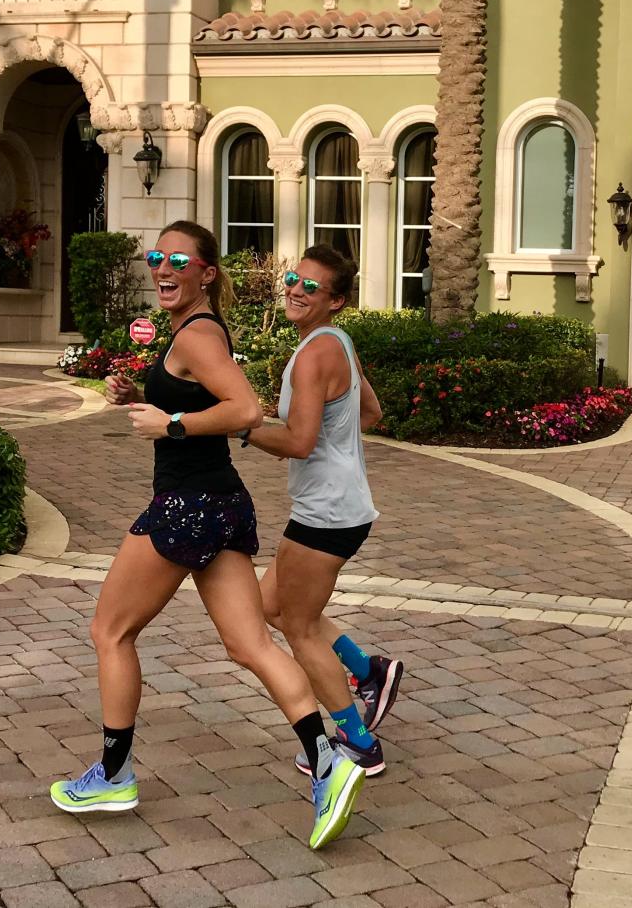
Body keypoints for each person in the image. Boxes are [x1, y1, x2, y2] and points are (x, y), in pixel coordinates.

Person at [50, 222, 365, 850]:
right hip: (220, 504)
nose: (162, 268)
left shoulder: (196, 334)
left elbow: (244, 411)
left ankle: (112, 775)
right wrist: (144, 397)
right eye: (156, 257)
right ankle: (331, 762)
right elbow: (208, 402)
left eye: (178, 260)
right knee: (250, 645)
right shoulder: (199, 332)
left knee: (110, 631)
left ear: (206, 274)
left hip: (187, 505)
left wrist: (168, 425)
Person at [239, 244, 404, 777]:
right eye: (293, 277)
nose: (295, 289)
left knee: (301, 628)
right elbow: (371, 412)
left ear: (336, 301)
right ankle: (367, 669)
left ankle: (357, 743)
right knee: (271, 607)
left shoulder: (314, 354)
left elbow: (299, 442)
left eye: (311, 286)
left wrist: (241, 426)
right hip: (338, 504)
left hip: (325, 514)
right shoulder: (337, 343)